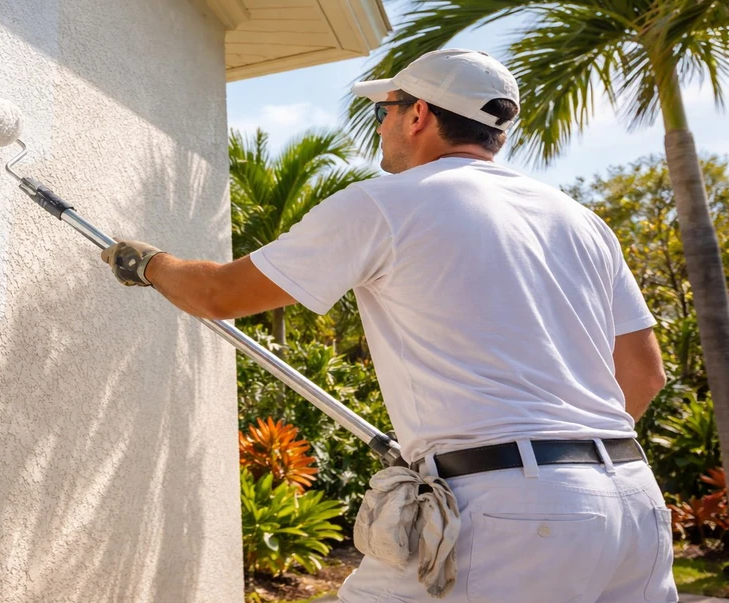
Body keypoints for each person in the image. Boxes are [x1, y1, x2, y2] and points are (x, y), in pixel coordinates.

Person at [100, 49, 678, 602]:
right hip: (633, 503)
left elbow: (217, 294)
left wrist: (146, 263)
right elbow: (644, 374)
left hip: (512, 515)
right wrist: (562, 458)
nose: (380, 127)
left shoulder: (386, 204)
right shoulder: (581, 221)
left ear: (419, 115)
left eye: (384, 111)